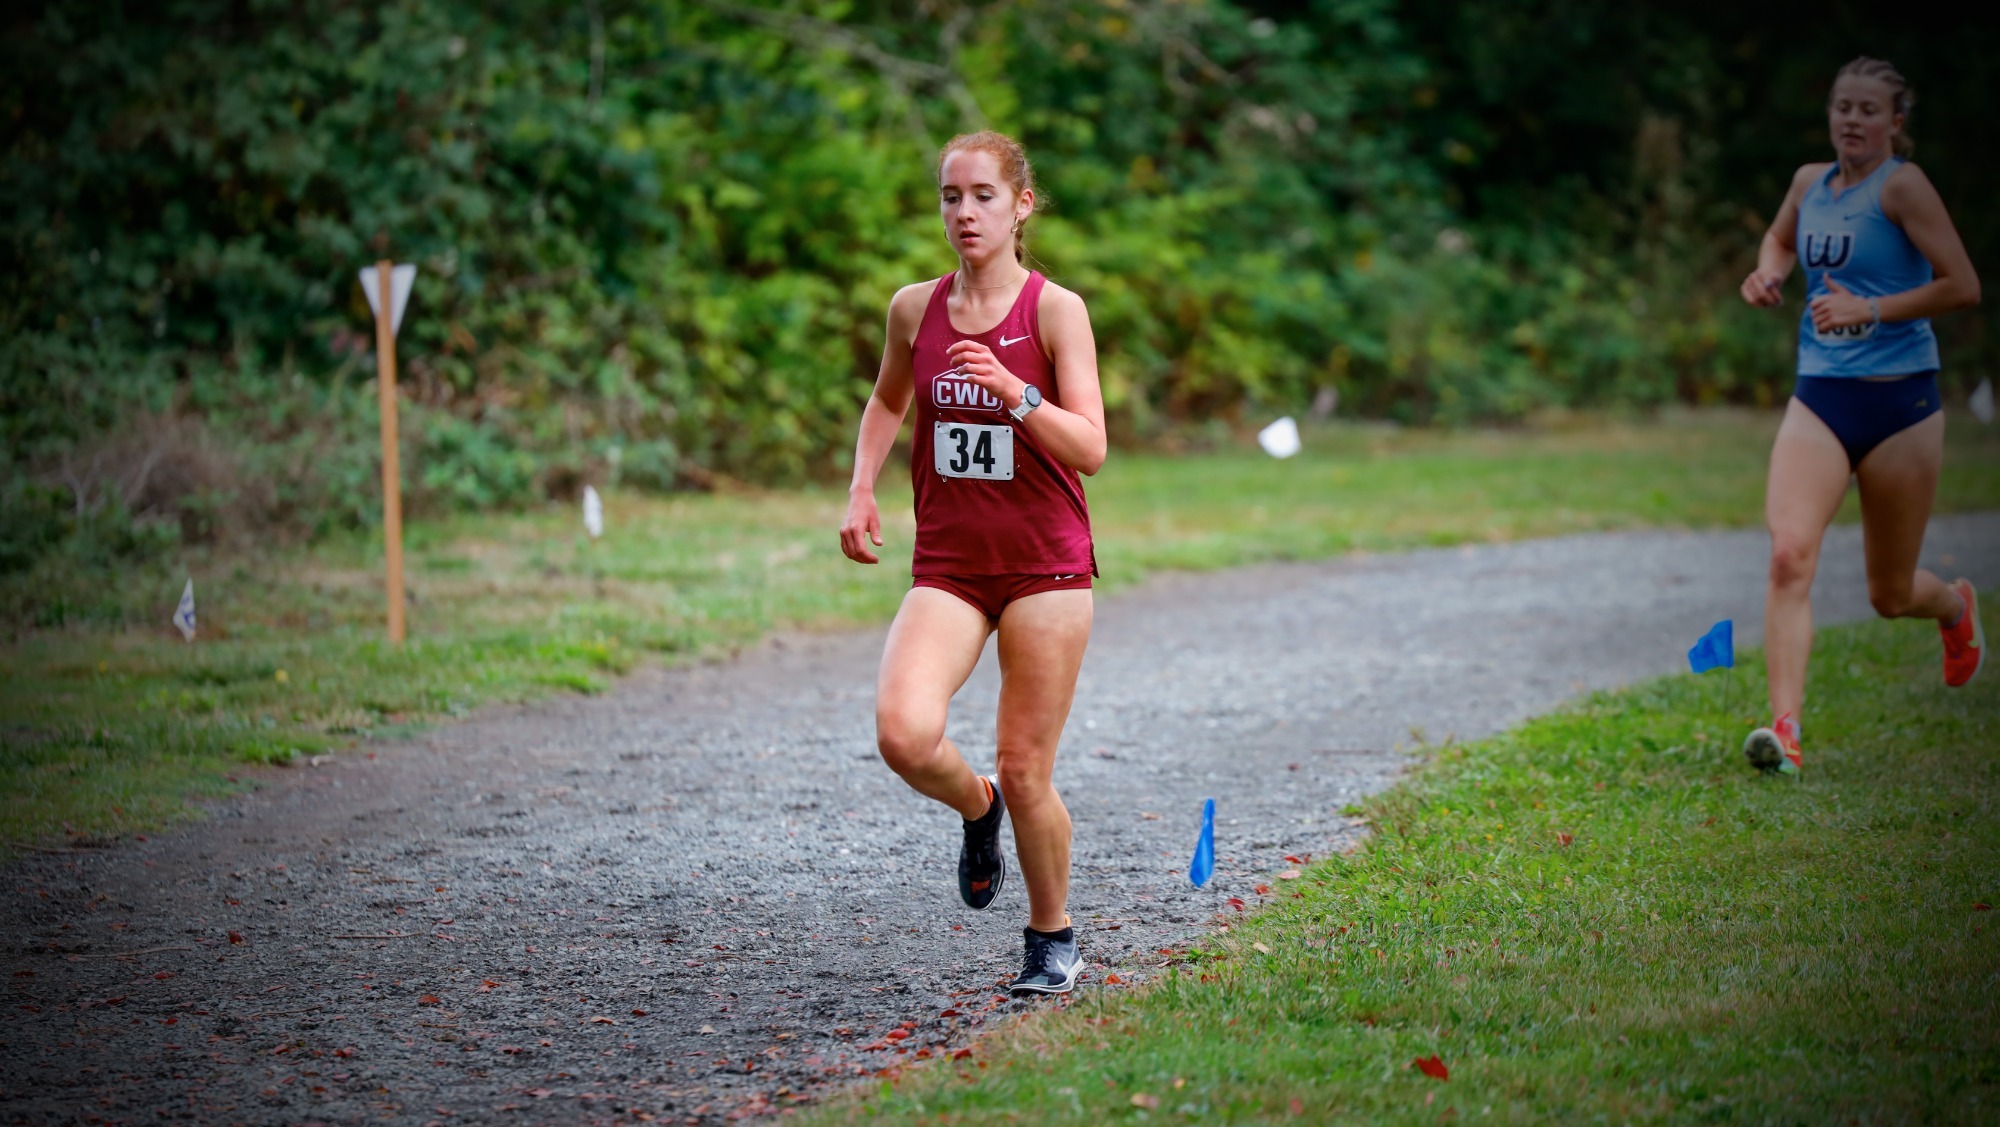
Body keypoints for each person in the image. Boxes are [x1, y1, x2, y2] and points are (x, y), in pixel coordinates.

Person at [839, 131, 1106, 993]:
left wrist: (1015, 392)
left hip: (1046, 568)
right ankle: (975, 806)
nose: (965, 213)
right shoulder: (913, 308)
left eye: (984, 195)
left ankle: (1052, 936)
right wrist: (861, 488)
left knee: (1030, 767)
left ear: (1021, 205)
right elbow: (887, 400)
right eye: (952, 196)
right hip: (950, 565)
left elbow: (1091, 447)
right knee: (903, 733)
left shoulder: (1054, 310)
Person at [1737, 57, 1982, 776]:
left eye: (1869, 109)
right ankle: (1785, 733)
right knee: (1788, 554)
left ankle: (1953, 608)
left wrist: (1870, 308)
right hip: (1820, 395)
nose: (1852, 119)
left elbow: (1961, 285)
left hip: (1901, 404)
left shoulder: (1903, 187)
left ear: (1895, 123)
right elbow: (1781, 238)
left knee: (1890, 592)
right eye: (1842, 105)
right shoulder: (1808, 183)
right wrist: (1771, 272)